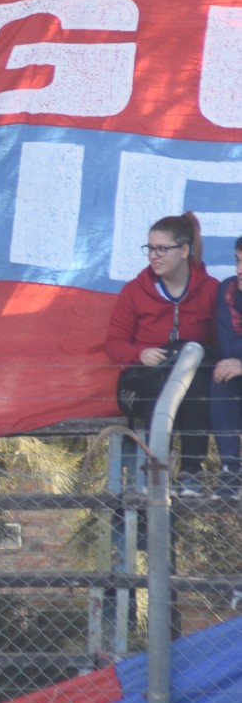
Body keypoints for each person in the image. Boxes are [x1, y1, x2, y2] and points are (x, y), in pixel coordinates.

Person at [106, 213, 218, 497]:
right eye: (150, 248)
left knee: (196, 377)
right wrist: (140, 353)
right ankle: (155, 474)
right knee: (167, 379)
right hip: (142, 382)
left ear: (184, 250)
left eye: (161, 249)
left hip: (192, 384)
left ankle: (191, 473)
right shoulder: (134, 291)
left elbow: (220, 345)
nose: (153, 256)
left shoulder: (211, 290)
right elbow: (114, 345)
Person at [213, 236, 242, 500]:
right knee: (222, 375)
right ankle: (230, 471)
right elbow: (228, 345)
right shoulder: (228, 291)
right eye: (237, 261)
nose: (239, 270)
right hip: (237, 374)